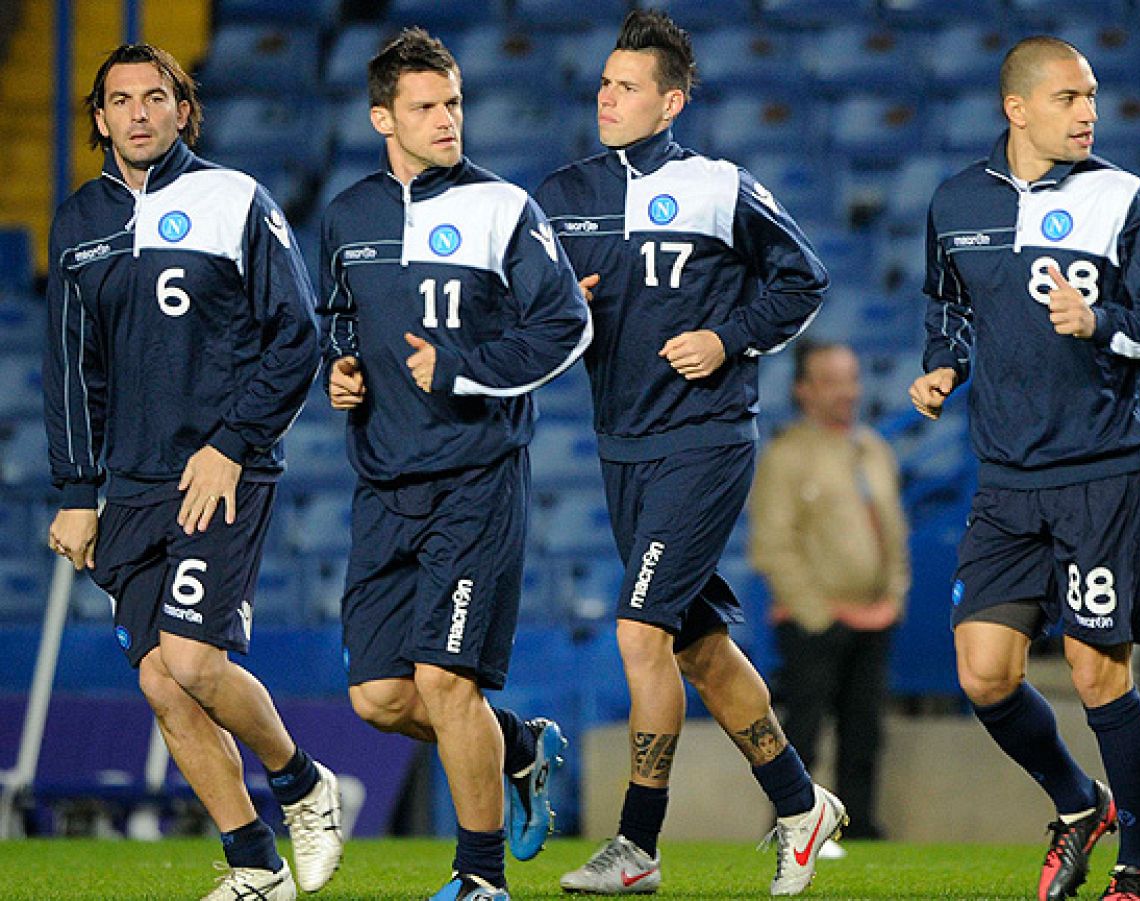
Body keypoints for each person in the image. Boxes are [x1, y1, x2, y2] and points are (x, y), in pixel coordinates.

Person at [534, 10, 838, 897]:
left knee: (642, 634)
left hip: (704, 441)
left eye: (627, 86)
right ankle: (799, 803)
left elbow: (803, 278)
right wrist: (565, 309)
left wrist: (729, 338)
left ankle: (637, 845)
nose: (607, 97)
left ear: (670, 102)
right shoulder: (559, 196)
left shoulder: (718, 185)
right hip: (620, 446)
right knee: (700, 648)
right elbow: (531, 322)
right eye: (603, 82)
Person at [43, 43, 341, 901]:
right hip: (128, 488)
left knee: (195, 658)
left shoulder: (234, 199)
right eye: (121, 100)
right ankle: (256, 865)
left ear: (184, 109)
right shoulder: (77, 222)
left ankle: (301, 782)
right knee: (159, 682)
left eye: (156, 97)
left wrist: (233, 442)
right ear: (99, 119)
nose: (139, 113)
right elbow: (69, 370)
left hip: (220, 469)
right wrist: (75, 491)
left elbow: (297, 336)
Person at [910, 35, 1140, 901]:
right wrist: (943, 366)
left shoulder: (1121, 196)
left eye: (1093, 97)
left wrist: (1102, 322)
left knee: (1094, 671)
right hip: (1005, 479)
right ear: (1017, 108)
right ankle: (1081, 803)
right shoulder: (956, 200)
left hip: (1103, 471)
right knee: (983, 673)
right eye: (1070, 97)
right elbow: (950, 308)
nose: (1089, 112)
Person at [317, 29, 590, 901]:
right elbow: (340, 319)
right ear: (382, 119)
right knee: (380, 699)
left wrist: (465, 365)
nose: (447, 120)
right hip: (383, 482)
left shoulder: (504, 207)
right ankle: (515, 745)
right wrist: (344, 369)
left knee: (444, 678)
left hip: (475, 478)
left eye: (455, 104)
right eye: (427, 107)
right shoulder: (348, 213)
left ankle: (480, 879)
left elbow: (563, 326)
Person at [749, 340, 909, 845]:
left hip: (875, 617)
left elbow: (894, 531)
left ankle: (859, 828)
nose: (847, 391)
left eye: (852, 378)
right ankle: (793, 827)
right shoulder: (786, 454)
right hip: (812, 621)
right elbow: (772, 544)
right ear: (804, 390)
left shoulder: (874, 449)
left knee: (866, 734)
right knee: (804, 733)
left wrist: (894, 596)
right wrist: (818, 612)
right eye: (833, 380)